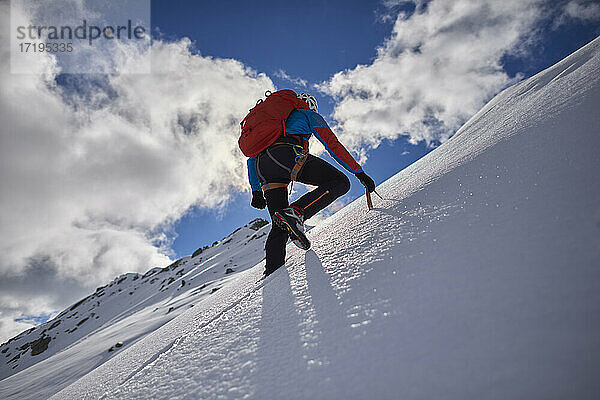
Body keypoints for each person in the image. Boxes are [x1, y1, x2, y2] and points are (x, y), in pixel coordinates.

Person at [247, 92, 375, 277]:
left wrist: (256, 191)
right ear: (311, 106)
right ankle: (297, 212)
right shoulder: (308, 114)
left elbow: (252, 159)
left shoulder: (271, 126)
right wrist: (358, 172)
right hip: (286, 155)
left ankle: (272, 273)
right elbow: (332, 145)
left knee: (280, 222)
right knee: (340, 182)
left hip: (263, 167)